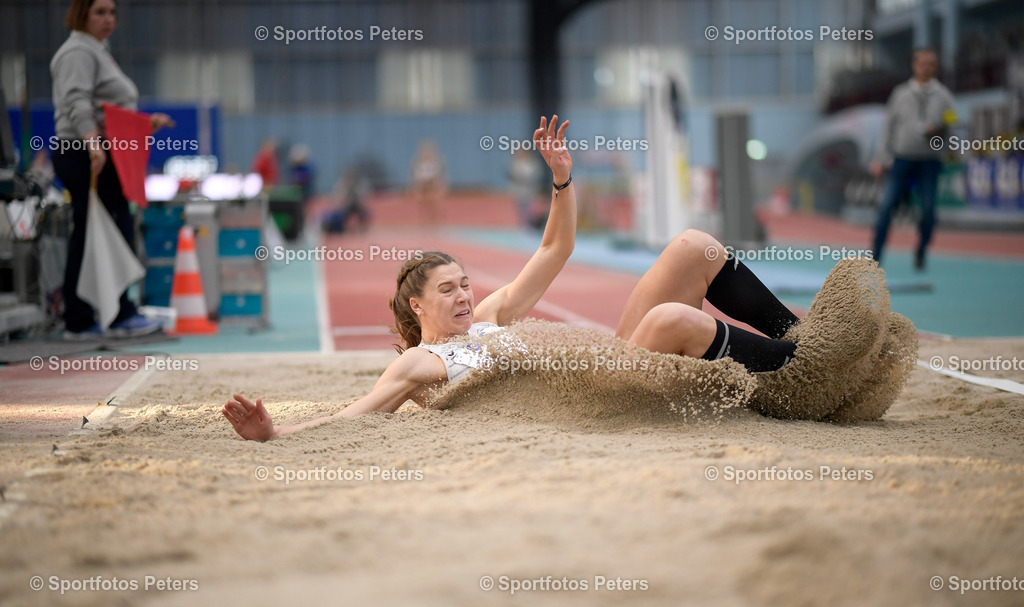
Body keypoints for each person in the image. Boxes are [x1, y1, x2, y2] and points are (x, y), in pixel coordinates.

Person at [225, 116, 882, 441]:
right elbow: (358, 412)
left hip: (616, 361)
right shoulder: (423, 361)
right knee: (670, 322)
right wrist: (278, 435)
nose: (464, 293)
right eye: (447, 288)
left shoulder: (491, 322)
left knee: (693, 246)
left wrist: (562, 177)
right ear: (414, 307)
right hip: (607, 395)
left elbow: (555, 246)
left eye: (464, 282)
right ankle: (803, 373)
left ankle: (802, 337)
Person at [51, 0, 174, 339]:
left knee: (111, 229)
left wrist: (145, 123)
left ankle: (109, 312)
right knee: (96, 232)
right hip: (84, 153)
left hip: (102, 151)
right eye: (100, 12)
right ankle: (91, 316)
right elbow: (76, 101)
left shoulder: (97, 50)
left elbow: (105, 109)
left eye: (112, 13)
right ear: (81, 14)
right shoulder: (78, 51)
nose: (109, 19)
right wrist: (92, 143)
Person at [869, 47, 956, 270]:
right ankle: (875, 256)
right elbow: (887, 127)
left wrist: (941, 134)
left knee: (928, 210)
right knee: (886, 206)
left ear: (935, 67)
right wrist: (879, 158)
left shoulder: (944, 97)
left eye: (931, 64)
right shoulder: (900, 94)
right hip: (901, 159)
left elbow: (953, 127)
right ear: (914, 65)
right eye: (922, 63)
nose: (926, 67)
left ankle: (921, 251)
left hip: (929, 162)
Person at [410, 140, 446, 227]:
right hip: (422, 183)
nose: (427, 152)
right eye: (425, 150)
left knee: (432, 200)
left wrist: (441, 185)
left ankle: (434, 216)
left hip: (431, 182)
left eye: (429, 150)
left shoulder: (437, 161)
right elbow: (413, 175)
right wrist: (413, 186)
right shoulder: (417, 161)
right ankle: (423, 217)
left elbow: (441, 175)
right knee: (422, 200)